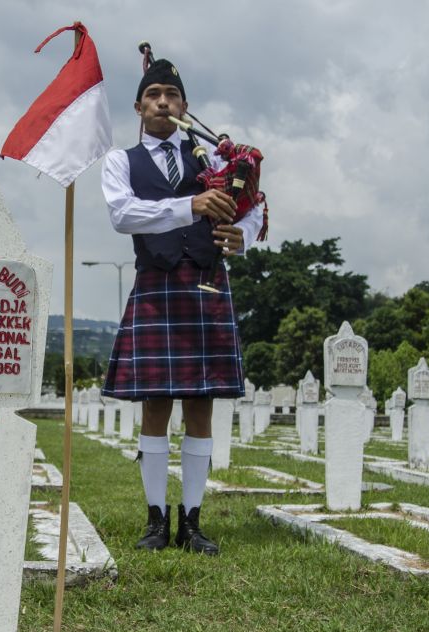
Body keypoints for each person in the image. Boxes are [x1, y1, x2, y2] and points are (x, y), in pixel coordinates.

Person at [100, 57, 264, 556]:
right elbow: (122, 215)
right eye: (154, 95)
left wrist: (245, 235)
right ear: (139, 106)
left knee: (201, 403)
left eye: (172, 94)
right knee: (156, 404)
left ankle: (192, 521)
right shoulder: (121, 162)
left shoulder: (211, 158)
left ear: (185, 106)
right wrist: (188, 206)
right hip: (157, 284)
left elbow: (254, 203)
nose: (163, 102)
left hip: (208, 282)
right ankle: (155, 519)